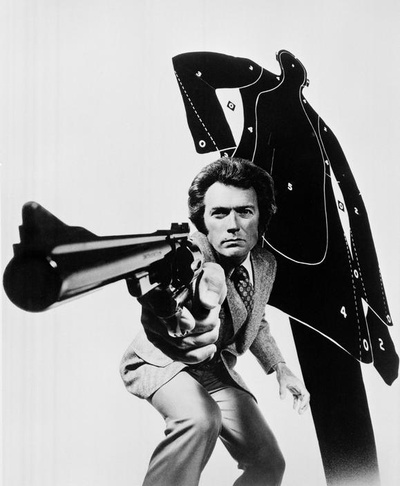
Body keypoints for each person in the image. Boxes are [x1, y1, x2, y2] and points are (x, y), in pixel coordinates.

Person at [120, 157, 310, 486]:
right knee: (201, 418)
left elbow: (256, 319)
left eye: (244, 211)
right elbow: (180, 283)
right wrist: (170, 309)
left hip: (213, 368)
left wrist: (280, 368)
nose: (233, 224)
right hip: (164, 363)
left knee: (268, 461)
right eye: (219, 213)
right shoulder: (193, 253)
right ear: (203, 222)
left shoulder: (265, 263)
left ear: (261, 217)